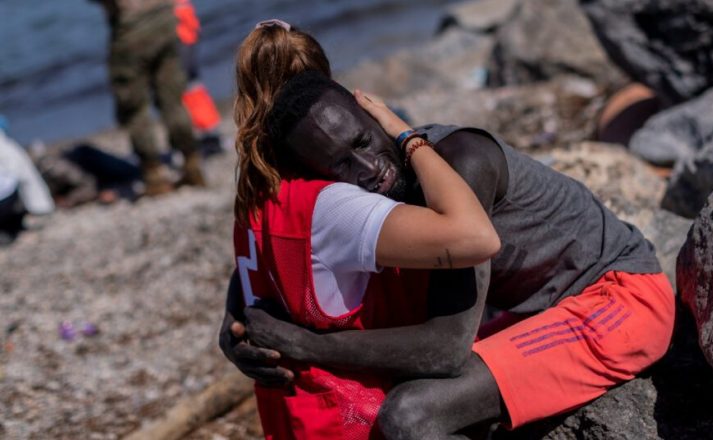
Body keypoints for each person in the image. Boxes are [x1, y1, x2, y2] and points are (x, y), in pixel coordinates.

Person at [220, 23, 676, 439]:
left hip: (616, 298)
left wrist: (307, 345)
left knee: (410, 414)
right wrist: (236, 322)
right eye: (341, 166)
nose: (368, 170)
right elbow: (273, 243)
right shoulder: (358, 190)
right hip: (544, 309)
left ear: (375, 115)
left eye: (364, 142)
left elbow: (445, 350)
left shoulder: (461, 161)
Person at [228, 20, 499, 440]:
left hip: (294, 418)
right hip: (355, 417)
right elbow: (473, 240)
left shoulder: (255, 196)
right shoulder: (333, 205)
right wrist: (408, 138)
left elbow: (257, 280)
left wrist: (233, 326)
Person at [90, 0, 205, 195]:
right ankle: (191, 161)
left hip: (131, 28)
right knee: (172, 98)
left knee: (134, 107)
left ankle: (154, 175)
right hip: (164, 18)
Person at [173, 0, 224, 155]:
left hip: (180, 35)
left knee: (189, 87)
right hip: (183, 32)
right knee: (190, 86)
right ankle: (207, 133)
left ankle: (210, 134)